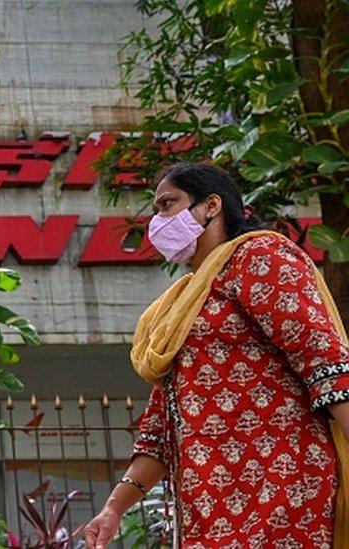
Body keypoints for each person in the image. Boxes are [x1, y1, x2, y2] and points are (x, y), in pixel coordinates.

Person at [83, 162, 349, 548]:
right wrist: (113, 510)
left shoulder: (259, 257)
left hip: (284, 483)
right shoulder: (183, 303)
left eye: (167, 204)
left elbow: (324, 359)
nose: (157, 220)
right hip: (208, 498)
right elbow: (161, 426)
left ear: (211, 205)